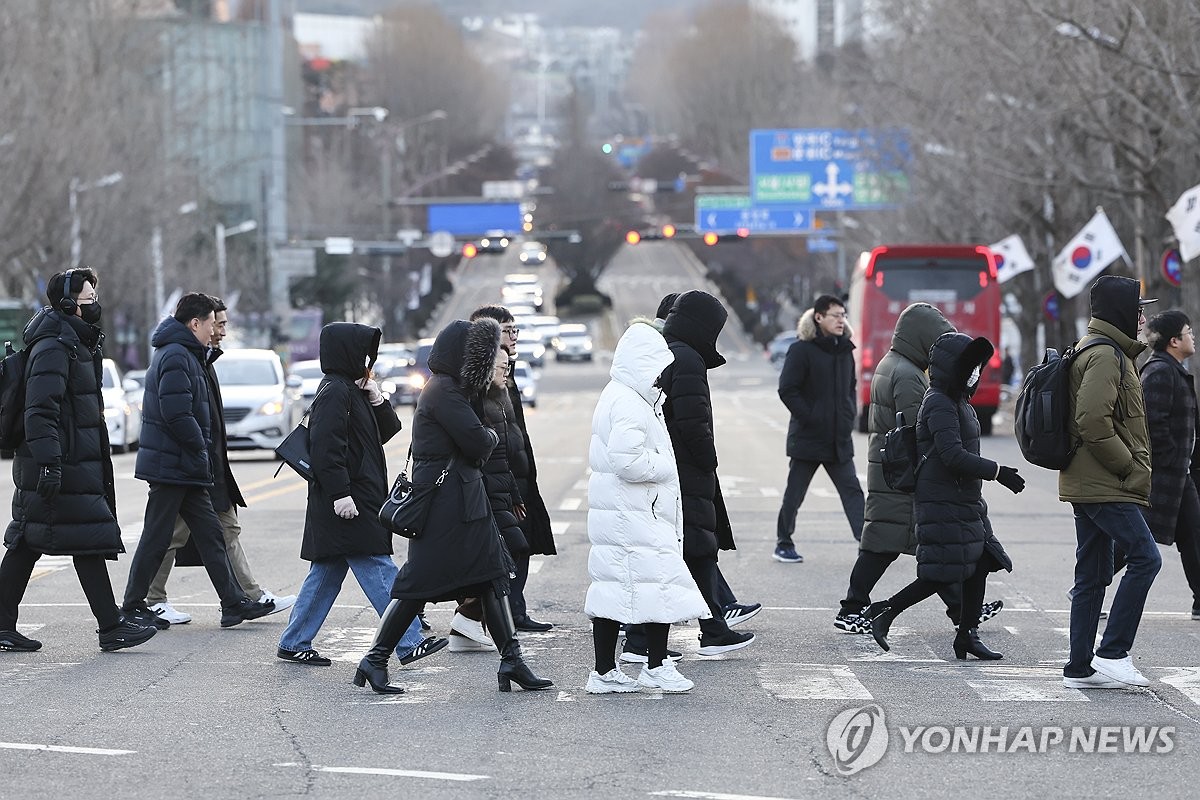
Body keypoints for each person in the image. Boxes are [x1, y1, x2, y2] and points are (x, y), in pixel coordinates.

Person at [354, 318, 552, 694]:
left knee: (493, 576)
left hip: (465, 501)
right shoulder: (443, 391)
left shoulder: (455, 390)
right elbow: (478, 443)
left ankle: (512, 660)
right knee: (419, 582)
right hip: (445, 506)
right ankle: (375, 658)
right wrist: (490, 435)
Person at [0, 269, 157, 653]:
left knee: (29, 538)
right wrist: (51, 463)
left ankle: (5, 626)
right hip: (58, 461)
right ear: (67, 304)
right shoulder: (55, 345)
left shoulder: (73, 341)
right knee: (72, 535)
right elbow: (40, 410)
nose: (94, 304)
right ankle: (110, 625)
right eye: (87, 299)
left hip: (66, 458)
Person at [278, 322, 443, 666]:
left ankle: (294, 641)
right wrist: (341, 495)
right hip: (347, 500)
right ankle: (409, 639)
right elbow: (327, 450)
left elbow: (386, 432)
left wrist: (377, 398)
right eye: (362, 350)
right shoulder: (335, 392)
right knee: (379, 568)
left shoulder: (351, 390)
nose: (367, 357)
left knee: (326, 573)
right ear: (346, 352)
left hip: (356, 497)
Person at [835, 302, 999, 633]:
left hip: (894, 469)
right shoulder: (909, 376)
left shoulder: (895, 364)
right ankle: (853, 608)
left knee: (905, 542)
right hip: (907, 473)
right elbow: (920, 429)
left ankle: (961, 610)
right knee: (898, 544)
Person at [864, 332, 1021, 659]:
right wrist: (998, 472)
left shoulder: (957, 401)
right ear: (954, 368)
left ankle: (967, 635)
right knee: (942, 573)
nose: (976, 372)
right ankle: (885, 612)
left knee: (978, 563)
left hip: (964, 499)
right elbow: (951, 455)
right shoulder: (937, 402)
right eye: (971, 366)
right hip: (941, 499)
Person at [121, 293, 273, 628]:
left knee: (211, 535)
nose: (214, 332)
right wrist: (201, 448)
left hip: (185, 467)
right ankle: (133, 605)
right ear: (195, 323)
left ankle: (233, 603)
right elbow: (177, 414)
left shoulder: (188, 354)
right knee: (156, 537)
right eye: (211, 324)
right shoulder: (176, 355)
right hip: (173, 466)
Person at [585, 322, 710, 693]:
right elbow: (627, 460)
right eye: (657, 366)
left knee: (615, 588)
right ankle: (656, 665)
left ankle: (604, 671)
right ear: (642, 363)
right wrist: (666, 466)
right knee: (661, 582)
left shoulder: (620, 394)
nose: (662, 374)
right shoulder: (629, 402)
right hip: (635, 512)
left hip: (623, 512)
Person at [1060, 275, 1162, 689]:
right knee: (1145, 558)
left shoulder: (1104, 351)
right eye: (1138, 309)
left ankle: (1080, 667)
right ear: (1122, 312)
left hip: (1091, 482)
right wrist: (1126, 467)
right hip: (1103, 482)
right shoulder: (1105, 356)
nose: (1143, 317)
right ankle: (1113, 652)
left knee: (1092, 574)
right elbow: (1092, 421)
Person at [657, 290, 755, 656]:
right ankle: (644, 640)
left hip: (671, 467)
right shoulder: (687, 360)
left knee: (694, 551)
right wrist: (708, 460)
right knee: (691, 550)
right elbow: (692, 421)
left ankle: (713, 626)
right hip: (686, 470)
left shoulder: (666, 351)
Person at [468, 306, 556, 633]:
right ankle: (491, 616)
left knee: (521, 543)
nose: (512, 338)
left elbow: (513, 424)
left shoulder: (507, 370)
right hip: (495, 475)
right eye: (506, 331)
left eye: (514, 331)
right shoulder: (480, 378)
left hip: (516, 474)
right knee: (508, 547)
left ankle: (511, 611)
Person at [774, 294, 864, 563]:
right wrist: (811, 417)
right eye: (835, 315)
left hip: (839, 438)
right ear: (819, 317)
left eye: (843, 315)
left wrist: (848, 415)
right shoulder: (802, 350)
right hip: (809, 438)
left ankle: (868, 543)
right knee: (795, 493)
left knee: (853, 491)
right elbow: (787, 390)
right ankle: (783, 542)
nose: (841, 320)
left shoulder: (846, 350)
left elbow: (850, 388)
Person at [1140, 310, 1200, 619]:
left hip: (1179, 473)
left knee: (1192, 532)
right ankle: (1089, 582)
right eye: (1188, 332)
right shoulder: (1160, 372)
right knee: (1137, 537)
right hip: (1164, 474)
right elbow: (1153, 422)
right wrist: (1172, 458)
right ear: (1174, 341)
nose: (1193, 338)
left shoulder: (1172, 369)